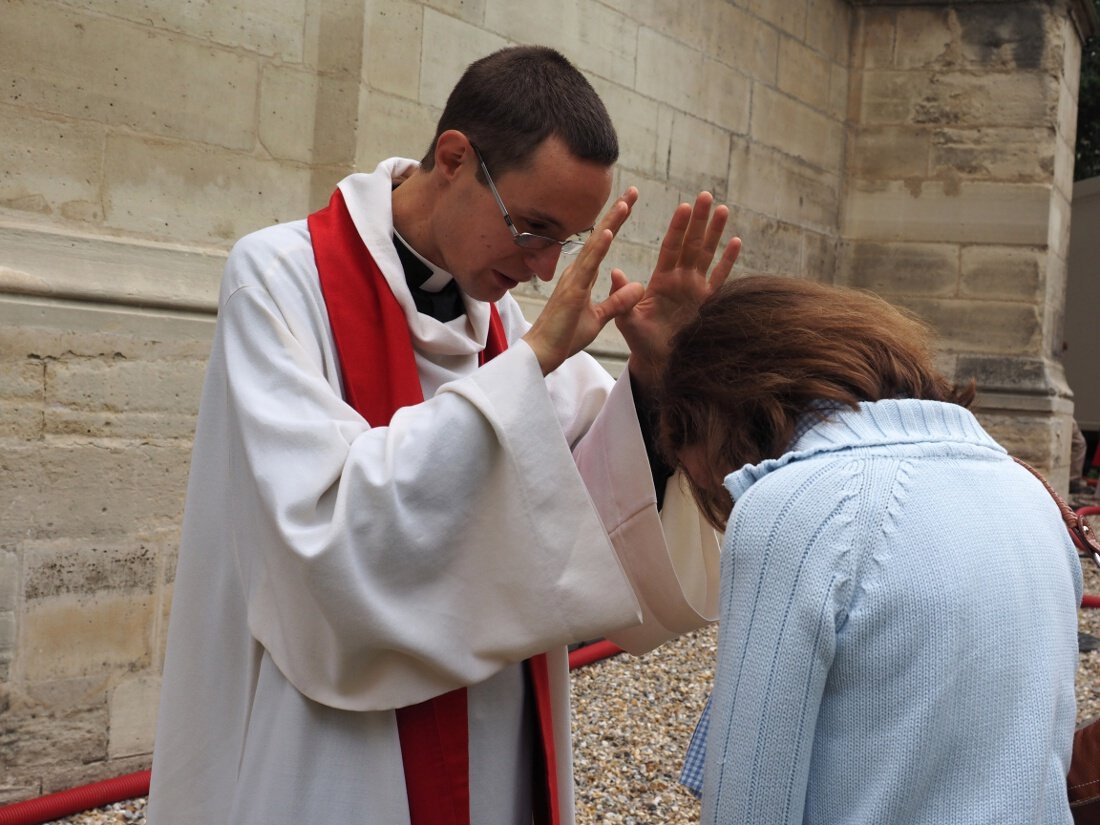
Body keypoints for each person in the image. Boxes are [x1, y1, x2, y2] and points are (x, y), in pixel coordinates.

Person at [147, 45, 740, 825]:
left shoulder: (502, 321)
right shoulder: (280, 278)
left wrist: (660, 378)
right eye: (532, 227)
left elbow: (602, 501)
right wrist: (525, 370)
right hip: (340, 734)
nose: (538, 267)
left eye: (563, 241)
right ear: (456, 158)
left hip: (501, 730)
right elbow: (324, 530)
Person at [659, 276, 1081, 824]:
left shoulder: (795, 507)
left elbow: (751, 800)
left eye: (704, 485)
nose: (717, 499)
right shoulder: (1030, 491)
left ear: (718, 417)